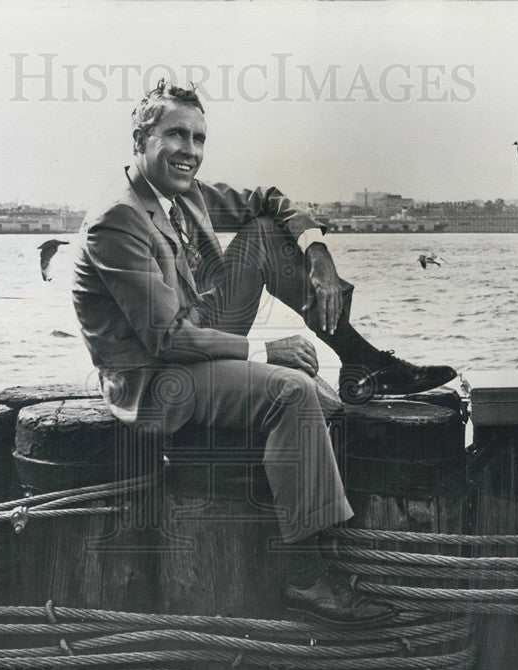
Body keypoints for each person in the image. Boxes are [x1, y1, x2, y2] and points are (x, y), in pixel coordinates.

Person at [72, 80, 457, 625]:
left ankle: (362, 358)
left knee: (260, 234)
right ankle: (306, 578)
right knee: (295, 391)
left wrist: (317, 250)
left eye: (199, 138)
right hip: (156, 379)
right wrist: (264, 351)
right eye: (175, 134)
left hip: (195, 336)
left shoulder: (185, 194)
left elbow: (267, 200)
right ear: (140, 137)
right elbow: (167, 339)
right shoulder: (118, 218)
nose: (190, 150)